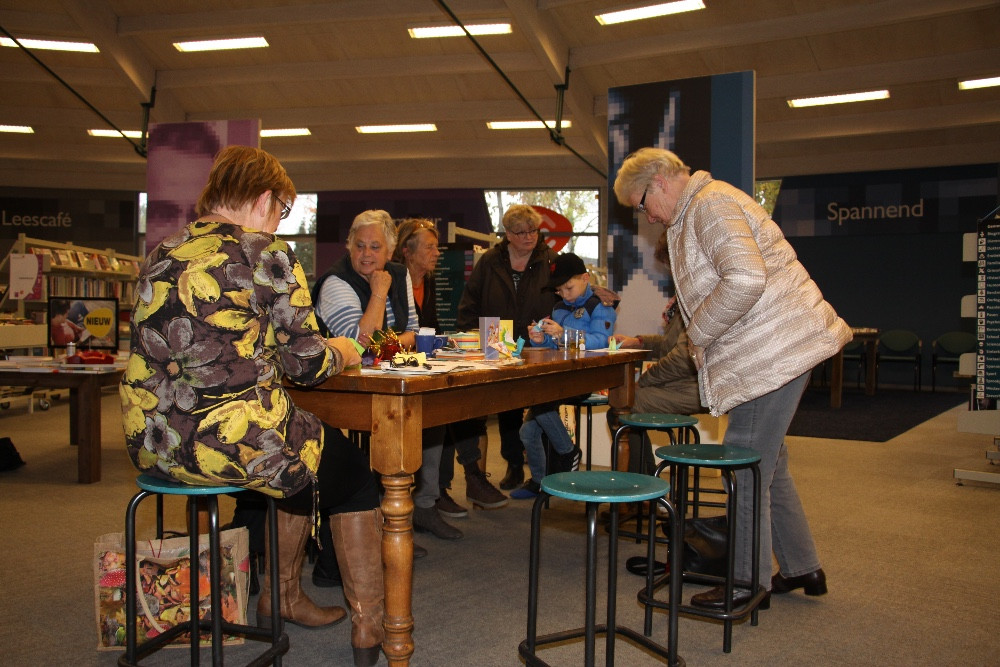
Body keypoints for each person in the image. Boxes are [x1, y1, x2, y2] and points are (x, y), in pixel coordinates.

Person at [119, 145, 385, 667]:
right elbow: (307, 365)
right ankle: (369, 626)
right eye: (282, 210)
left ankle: (283, 597)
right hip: (230, 443)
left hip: (153, 443)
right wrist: (347, 349)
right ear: (266, 198)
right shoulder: (265, 253)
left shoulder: (163, 251)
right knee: (354, 475)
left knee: (302, 455)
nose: (279, 220)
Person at [613, 147, 851, 610]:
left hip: (770, 353)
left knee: (743, 467)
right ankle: (803, 566)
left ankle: (745, 583)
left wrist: (697, 333)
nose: (648, 217)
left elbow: (744, 279)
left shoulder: (710, 203)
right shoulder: (701, 207)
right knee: (770, 463)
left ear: (658, 181)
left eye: (641, 204)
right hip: (771, 350)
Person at [314, 211, 462, 544]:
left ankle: (421, 506)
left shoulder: (399, 273)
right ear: (349, 246)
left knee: (433, 410)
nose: (366, 254)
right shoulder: (336, 282)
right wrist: (379, 293)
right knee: (398, 419)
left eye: (375, 247)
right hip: (344, 388)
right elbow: (360, 345)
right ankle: (386, 520)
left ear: (391, 251)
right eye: (359, 245)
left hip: (390, 377)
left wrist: (389, 342)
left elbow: (413, 332)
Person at [454, 204, 559, 491]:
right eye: (521, 232)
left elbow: (565, 296)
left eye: (533, 231)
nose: (529, 237)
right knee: (507, 407)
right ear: (508, 234)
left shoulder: (550, 260)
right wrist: (470, 335)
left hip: (539, 341)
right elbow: (470, 301)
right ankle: (513, 464)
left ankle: (546, 469)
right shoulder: (490, 261)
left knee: (542, 403)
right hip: (497, 338)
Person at [511, 252, 616, 499]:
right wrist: (541, 339)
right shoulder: (558, 308)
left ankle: (568, 451)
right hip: (558, 378)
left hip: (586, 378)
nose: (565, 295)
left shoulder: (600, 306)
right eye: (559, 291)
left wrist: (563, 333)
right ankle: (539, 481)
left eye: (569, 288)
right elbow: (553, 347)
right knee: (527, 432)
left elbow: (601, 341)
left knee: (541, 401)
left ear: (585, 278)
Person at [609, 292, 704, 474]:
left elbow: (683, 359)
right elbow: (671, 345)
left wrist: (644, 380)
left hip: (696, 387)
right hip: (684, 383)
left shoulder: (694, 299)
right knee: (625, 404)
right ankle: (645, 480)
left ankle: (637, 483)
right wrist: (638, 342)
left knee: (626, 405)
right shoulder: (684, 300)